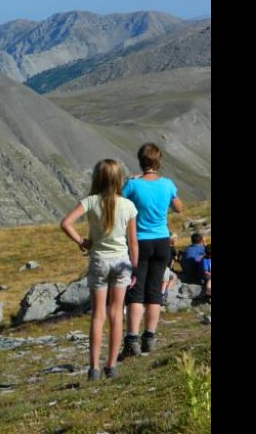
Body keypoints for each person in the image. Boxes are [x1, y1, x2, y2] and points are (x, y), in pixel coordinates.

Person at [61, 159, 138, 380]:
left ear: (97, 178)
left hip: (98, 261)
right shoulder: (128, 206)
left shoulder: (90, 202)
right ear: (119, 179)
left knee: (98, 315)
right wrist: (134, 267)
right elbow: (133, 242)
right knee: (116, 314)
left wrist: (82, 241)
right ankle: (111, 365)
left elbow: (66, 223)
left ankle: (93, 368)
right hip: (121, 261)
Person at [120, 143, 183, 359]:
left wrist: (135, 180)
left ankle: (132, 340)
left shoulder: (133, 185)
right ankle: (150, 337)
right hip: (162, 241)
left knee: (136, 290)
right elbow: (179, 207)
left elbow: (119, 203)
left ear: (140, 161)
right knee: (155, 290)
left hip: (139, 242)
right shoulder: (167, 184)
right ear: (159, 161)